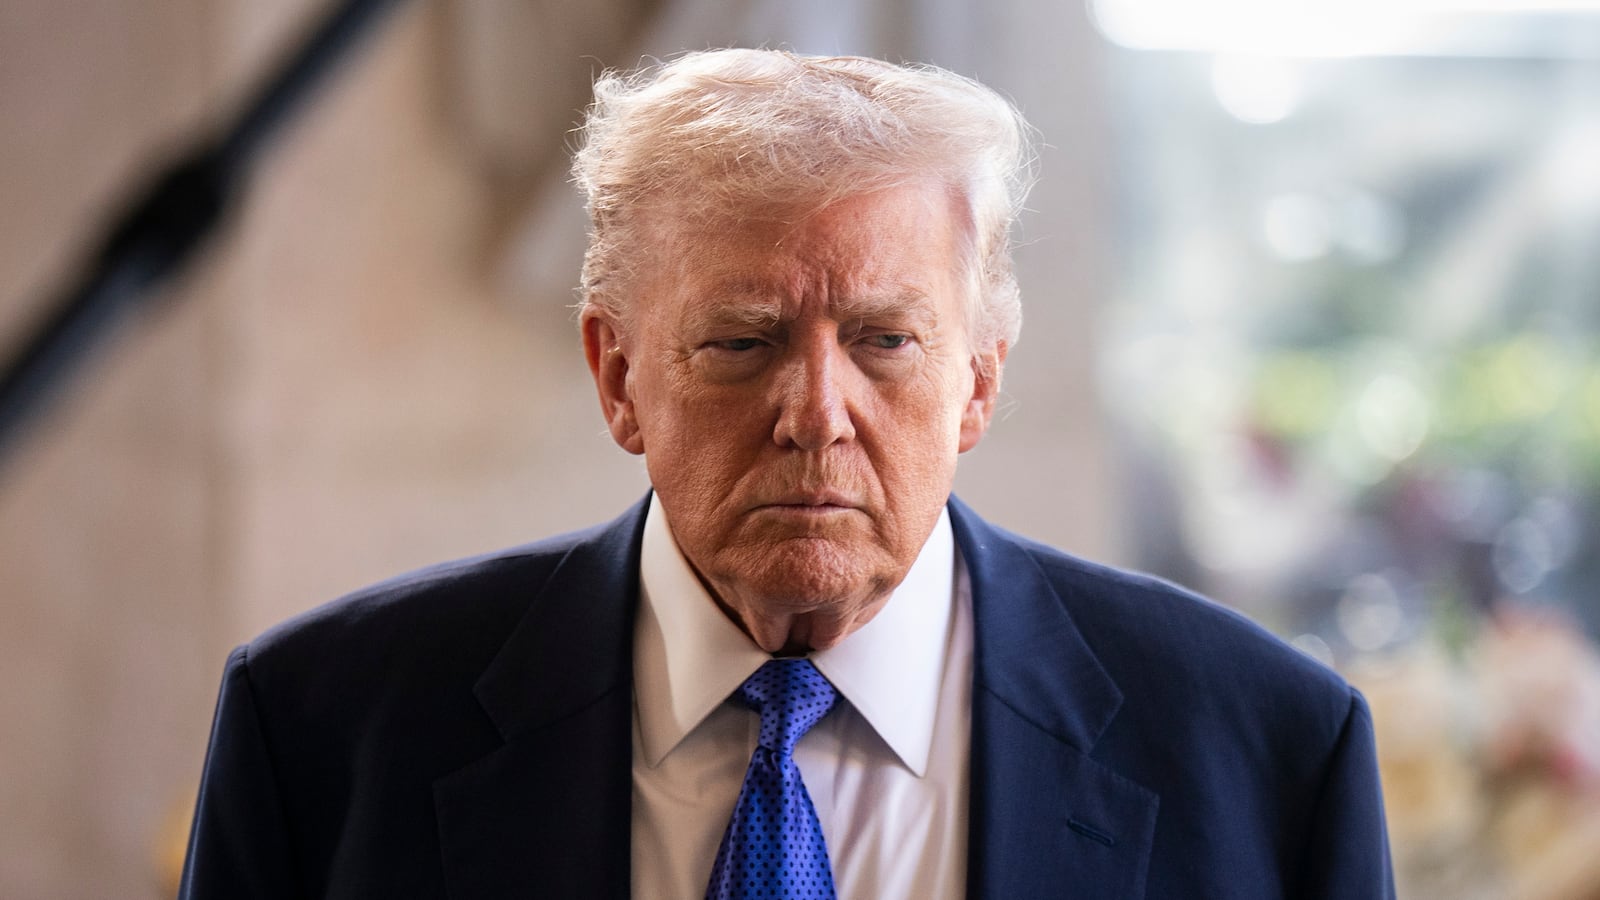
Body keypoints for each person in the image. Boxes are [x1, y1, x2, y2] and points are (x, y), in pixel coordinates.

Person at [180, 49, 1394, 899]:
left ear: (977, 380)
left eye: (884, 341)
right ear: (618, 376)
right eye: (742, 342)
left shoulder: (1264, 750)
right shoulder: (325, 733)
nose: (817, 415)